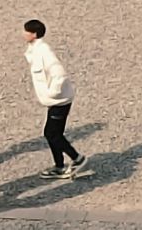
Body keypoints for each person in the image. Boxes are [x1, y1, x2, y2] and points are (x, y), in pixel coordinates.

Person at [22, 20, 87, 177]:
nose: (23, 34)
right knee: (52, 133)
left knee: (52, 134)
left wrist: (52, 93)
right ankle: (59, 166)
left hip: (60, 101)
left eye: (26, 31)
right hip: (56, 101)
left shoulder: (44, 52)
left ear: (34, 34)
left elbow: (59, 74)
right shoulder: (35, 50)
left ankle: (76, 158)